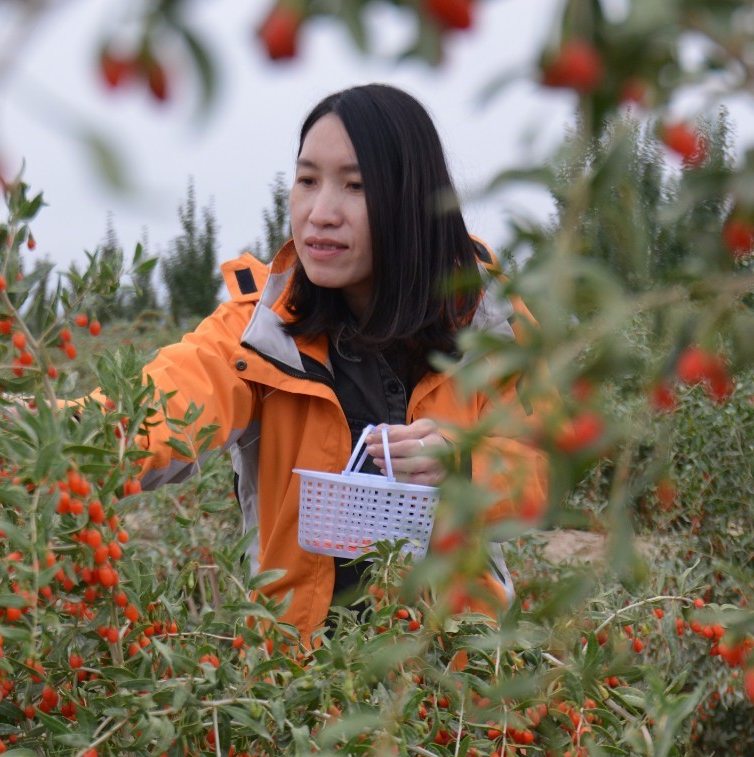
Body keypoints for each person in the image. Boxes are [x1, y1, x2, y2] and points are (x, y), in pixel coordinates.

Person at [130, 83, 548, 639]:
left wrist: (462, 466)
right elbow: (159, 408)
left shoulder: (488, 326)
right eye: (307, 181)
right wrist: (42, 433)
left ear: (413, 200)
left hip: (456, 684)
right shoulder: (261, 331)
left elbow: (544, 464)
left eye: (356, 186)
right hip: (297, 689)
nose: (320, 213)